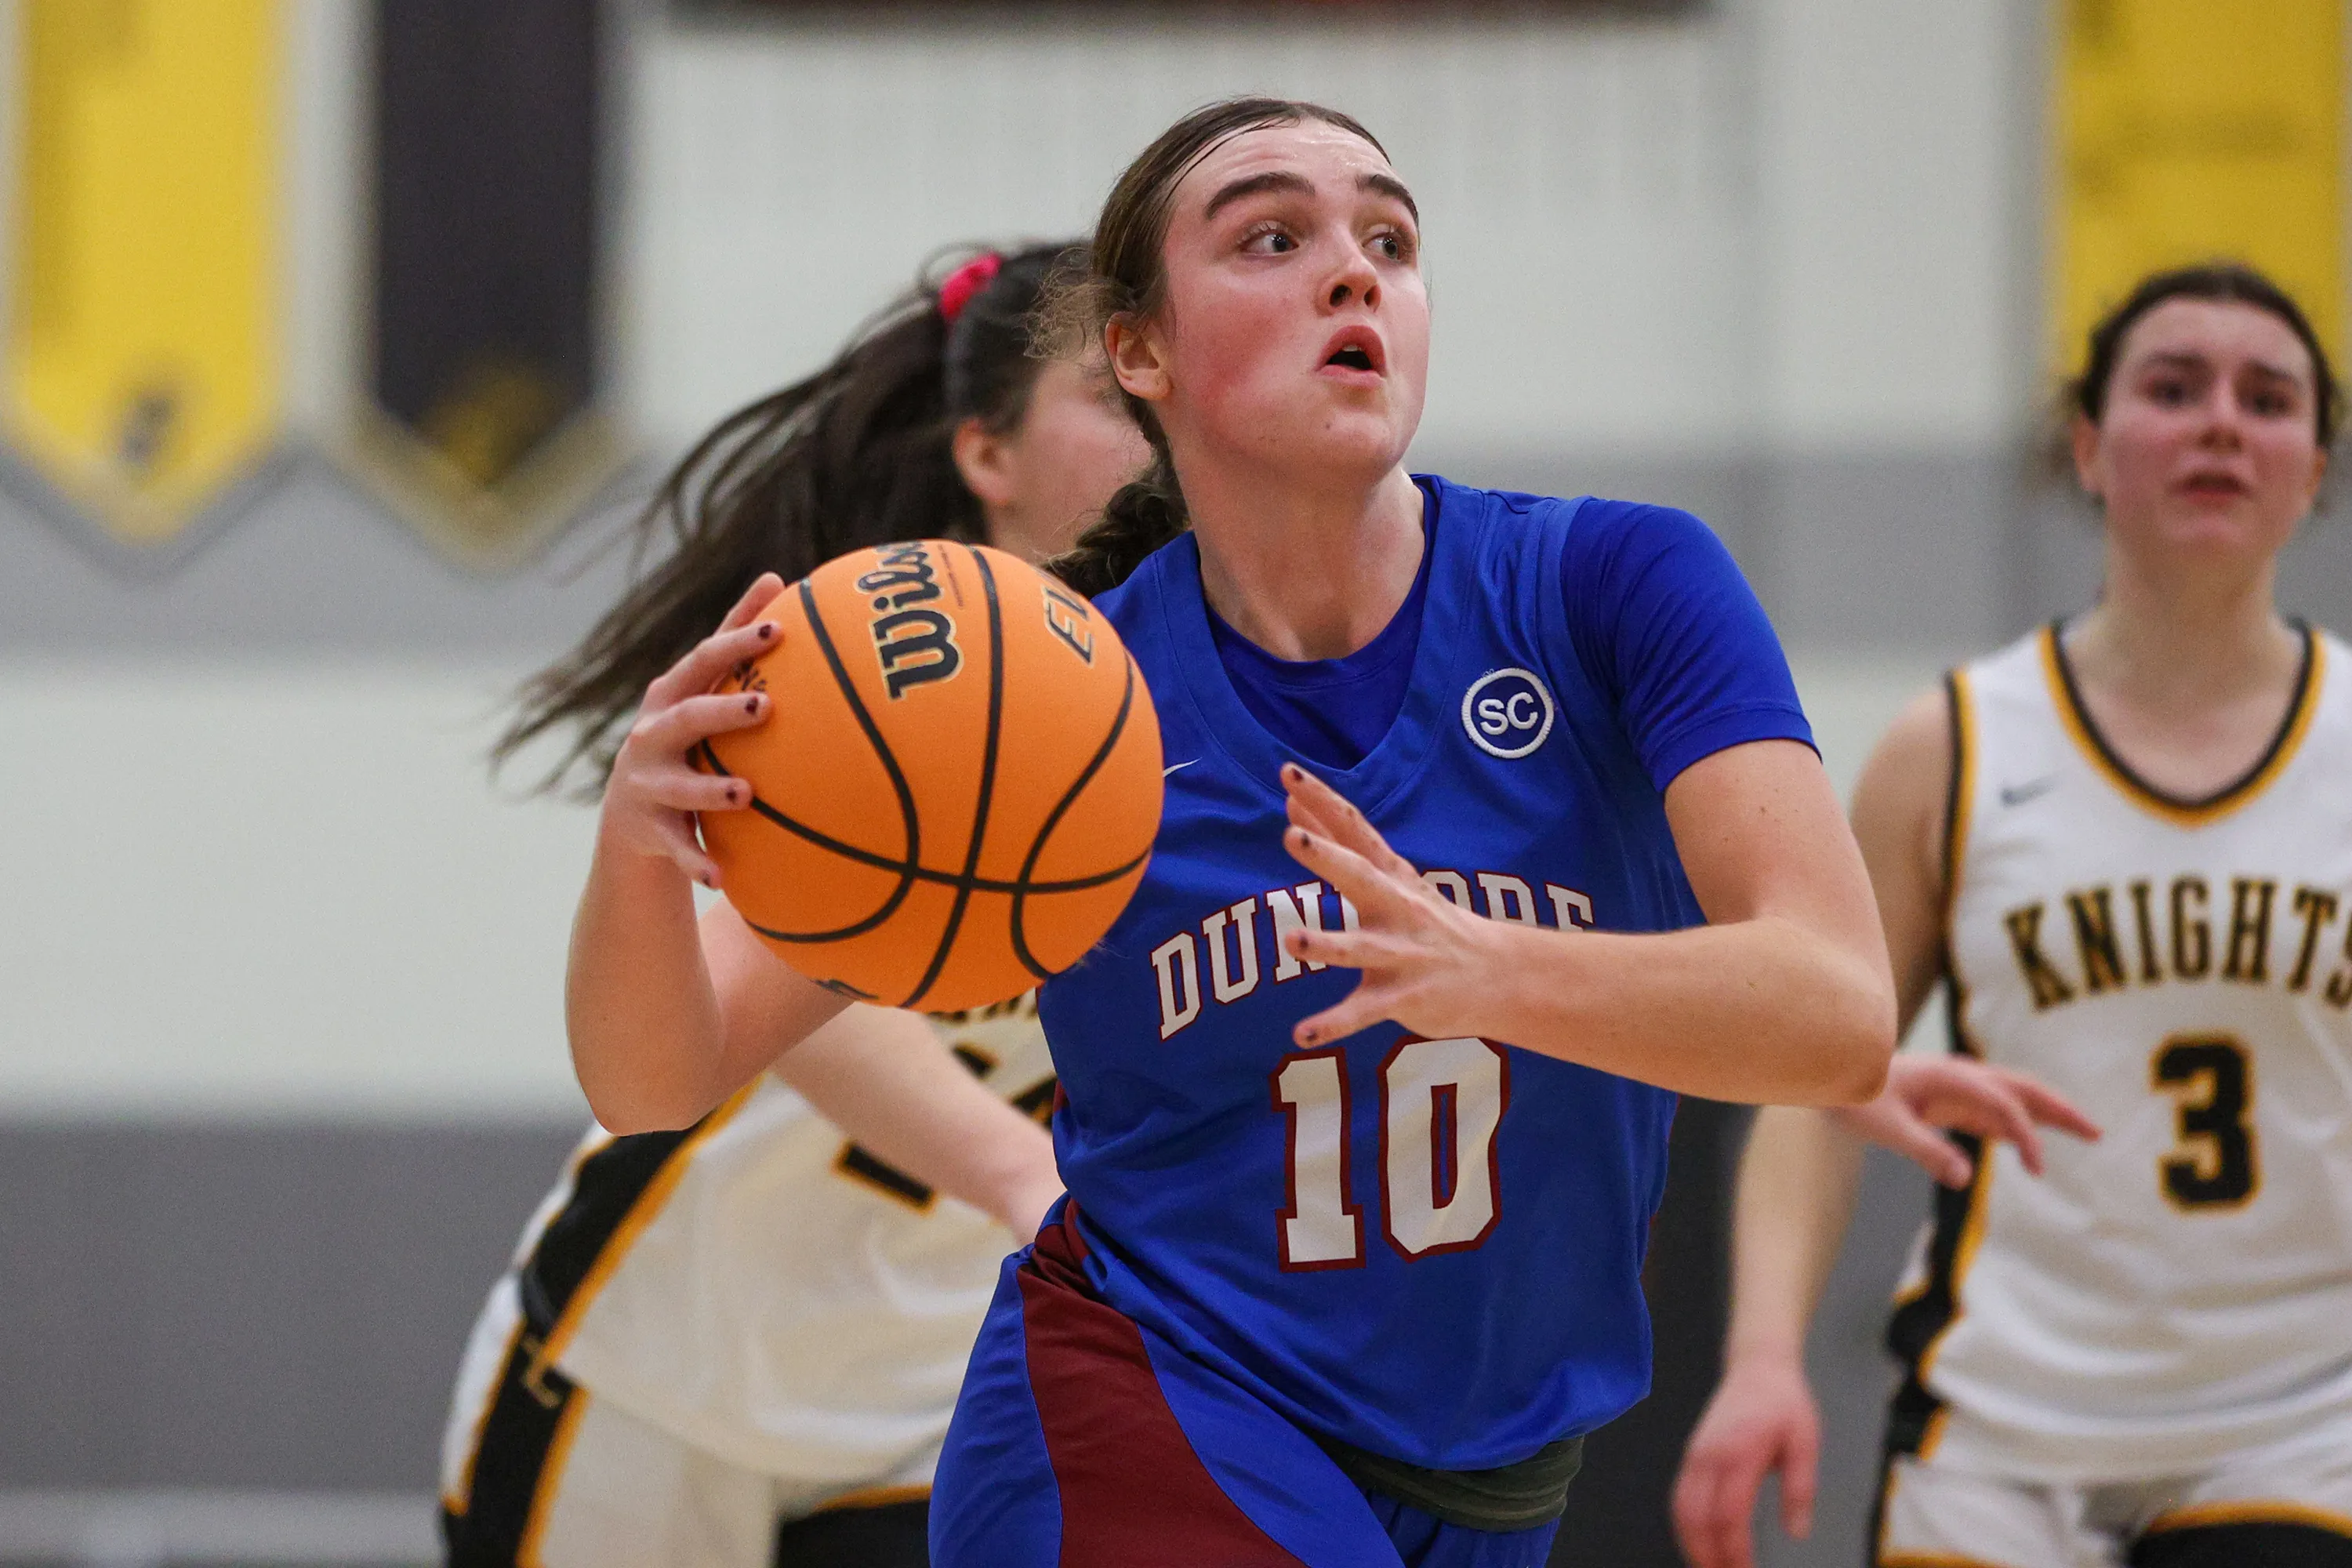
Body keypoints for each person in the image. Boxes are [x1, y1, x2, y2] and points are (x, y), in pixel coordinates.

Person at [567, 96, 1898, 1568]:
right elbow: (656, 1074)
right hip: (1147, 1407)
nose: (1354, 271)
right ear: (1140, 352)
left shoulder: (1613, 587)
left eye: (1390, 239)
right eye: (1274, 236)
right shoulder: (1059, 702)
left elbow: (1839, 1015)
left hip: (1490, 1478)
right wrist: (637, 848)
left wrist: (1490, 969)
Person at [437, 242, 1148, 1568]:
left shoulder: (1228, 714)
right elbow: (738, 1016)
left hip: (924, 1402)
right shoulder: (896, 662)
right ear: (987, 454)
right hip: (655, 1363)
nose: (1159, 431)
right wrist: (1018, 1170)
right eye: (1113, 398)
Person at [1672, 263, 2352, 1568]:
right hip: (2000, 1419)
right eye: (2174, 388)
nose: (2221, 422)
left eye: (2269, 399)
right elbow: (1818, 1075)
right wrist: (1762, 1358)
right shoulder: (1954, 747)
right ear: (2088, 445)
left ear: (2313, 466)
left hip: (2301, 1418)